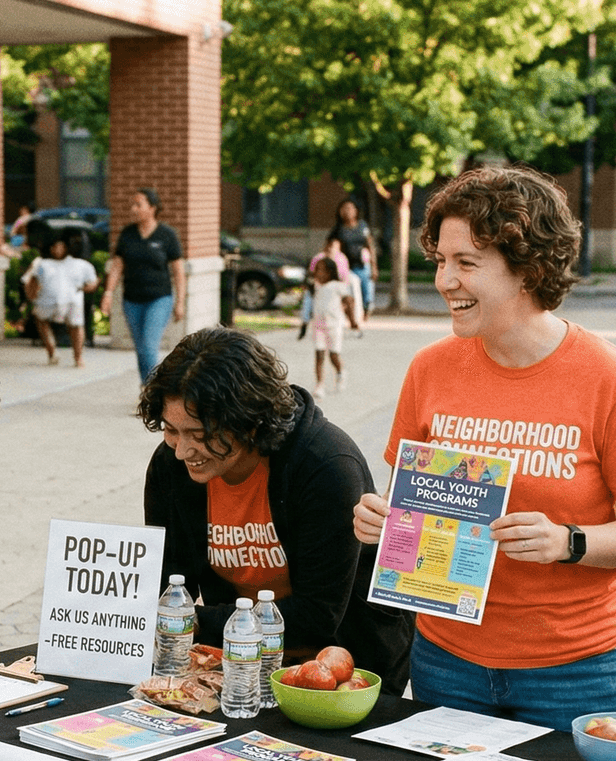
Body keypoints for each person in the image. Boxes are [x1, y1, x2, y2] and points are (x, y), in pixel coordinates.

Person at [351, 165, 616, 729]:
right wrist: (382, 521)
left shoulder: (612, 378)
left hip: (574, 668)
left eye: (466, 264)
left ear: (527, 270)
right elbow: (411, 502)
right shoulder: (429, 369)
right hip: (444, 656)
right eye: (440, 261)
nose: (444, 280)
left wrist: (566, 541)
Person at [141, 328, 412, 696]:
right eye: (172, 431)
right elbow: (168, 583)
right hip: (241, 662)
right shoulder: (171, 468)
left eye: (200, 433)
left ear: (250, 422)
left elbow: (318, 616)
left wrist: (186, 622)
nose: (182, 450)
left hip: (345, 668)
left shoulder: (326, 465)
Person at [102, 187, 185, 383]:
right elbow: (116, 267)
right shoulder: (128, 234)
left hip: (159, 299)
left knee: (149, 346)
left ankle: (153, 392)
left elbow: (178, 272)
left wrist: (180, 302)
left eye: (138, 204)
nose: (133, 209)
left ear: (152, 208)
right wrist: (108, 293)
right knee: (141, 350)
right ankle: (146, 389)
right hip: (132, 300)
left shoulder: (167, 235)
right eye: (132, 204)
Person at [23, 234, 98, 366]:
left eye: (60, 247)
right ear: (50, 249)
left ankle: (78, 358)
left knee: (76, 326)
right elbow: (31, 281)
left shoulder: (80, 264)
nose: (57, 250)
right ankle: (53, 352)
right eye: (55, 247)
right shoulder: (42, 264)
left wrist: (84, 288)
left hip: (70, 301)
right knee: (43, 319)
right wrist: (31, 296)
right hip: (48, 302)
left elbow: (93, 282)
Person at [307, 257, 360, 398]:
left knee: (333, 355)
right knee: (319, 354)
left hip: (334, 325)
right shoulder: (316, 286)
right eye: (316, 270)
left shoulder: (338, 286)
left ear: (330, 272)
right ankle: (319, 385)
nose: (318, 273)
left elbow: (349, 302)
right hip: (318, 325)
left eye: (322, 270)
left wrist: (353, 321)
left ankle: (340, 372)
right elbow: (309, 304)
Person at [296, 235, 352, 337]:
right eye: (330, 246)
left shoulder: (342, 259)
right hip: (319, 286)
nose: (331, 249)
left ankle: (348, 322)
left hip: (336, 288)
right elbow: (311, 273)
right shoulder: (318, 258)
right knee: (308, 300)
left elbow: (345, 277)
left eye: (335, 247)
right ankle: (305, 322)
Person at [330, 198, 376, 320]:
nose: (347, 211)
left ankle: (366, 310)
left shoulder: (362, 226)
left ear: (356, 211)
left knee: (366, 291)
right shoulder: (338, 229)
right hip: (345, 267)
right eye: (344, 209)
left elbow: (370, 246)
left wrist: (374, 267)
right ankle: (353, 316)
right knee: (350, 292)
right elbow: (330, 246)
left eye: (350, 208)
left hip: (362, 265)